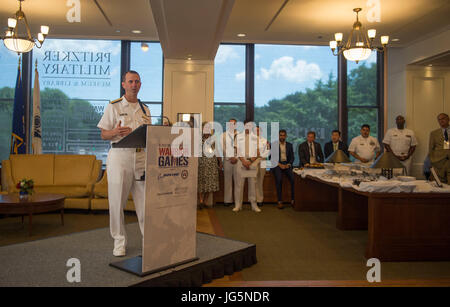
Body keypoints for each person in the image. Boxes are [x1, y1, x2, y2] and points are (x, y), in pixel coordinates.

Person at [97, 70, 151, 257]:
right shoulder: (114, 106)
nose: (134, 85)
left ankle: (149, 240)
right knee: (117, 202)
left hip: (141, 159)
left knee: (145, 204)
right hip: (120, 157)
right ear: (123, 85)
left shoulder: (145, 109)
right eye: (130, 81)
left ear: (140, 84)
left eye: (137, 81)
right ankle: (119, 242)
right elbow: (103, 134)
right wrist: (115, 132)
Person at [233, 121, 261, 212]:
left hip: (252, 162)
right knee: (239, 185)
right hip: (241, 161)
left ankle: (254, 204)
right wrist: (244, 161)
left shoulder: (255, 137)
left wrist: (249, 161)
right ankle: (238, 205)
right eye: (246, 125)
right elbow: (237, 150)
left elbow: (258, 153)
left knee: (253, 185)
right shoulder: (238, 136)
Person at [198, 122, 221, 209]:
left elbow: (217, 151)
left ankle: (205, 201)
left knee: (210, 183)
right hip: (201, 163)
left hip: (211, 164)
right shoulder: (198, 139)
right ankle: (200, 201)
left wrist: (220, 162)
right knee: (200, 183)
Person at [271, 129, 295, 209]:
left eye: (283, 135)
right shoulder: (274, 144)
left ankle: (293, 199)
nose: (282, 137)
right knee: (279, 179)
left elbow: (292, 157)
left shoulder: (289, 145)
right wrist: (279, 164)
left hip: (286, 165)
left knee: (293, 179)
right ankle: (280, 201)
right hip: (277, 164)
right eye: (280, 135)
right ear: (278, 136)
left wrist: (288, 164)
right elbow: (271, 158)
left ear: (286, 136)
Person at [221, 118, 238, 207]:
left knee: (237, 181)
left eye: (234, 124)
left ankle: (237, 200)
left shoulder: (240, 135)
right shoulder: (223, 135)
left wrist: (236, 158)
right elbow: (223, 148)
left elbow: (242, 148)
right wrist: (230, 157)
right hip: (227, 160)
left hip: (237, 161)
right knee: (227, 181)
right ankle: (227, 200)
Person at [428, 113, 450, 183]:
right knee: (440, 186)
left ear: (448, 119)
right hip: (438, 163)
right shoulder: (434, 133)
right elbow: (431, 149)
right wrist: (432, 161)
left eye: (443, 118)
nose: (441, 121)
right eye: (439, 120)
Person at [255, 125, 270, 207]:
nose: (257, 132)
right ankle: (253, 199)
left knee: (260, 181)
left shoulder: (265, 141)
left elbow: (267, 152)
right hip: (253, 161)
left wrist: (260, 154)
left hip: (263, 160)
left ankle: (259, 200)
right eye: (255, 130)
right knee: (254, 181)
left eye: (258, 130)